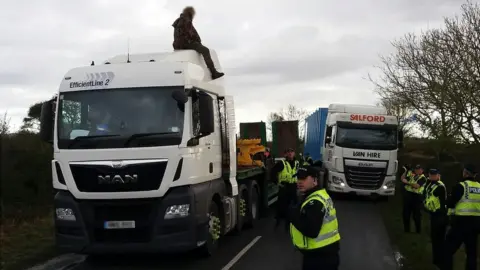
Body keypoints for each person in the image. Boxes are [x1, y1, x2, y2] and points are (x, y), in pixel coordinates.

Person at [289, 166, 340, 270]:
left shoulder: (315, 202)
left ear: (315, 180)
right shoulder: (320, 195)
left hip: (319, 259)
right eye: (298, 178)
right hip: (325, 254)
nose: (299, 182)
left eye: (303, 178)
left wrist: (293, 215)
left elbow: (311, 231)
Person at [443, 164, 480, 270]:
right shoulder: (479, 187)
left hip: (461, 223)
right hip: (476, 224)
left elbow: (450, 203)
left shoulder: (461, 186)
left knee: (448, 250)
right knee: (471, 254)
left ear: (465, 173)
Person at [172, 6, 224, 80]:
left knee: (201, 48)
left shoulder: (178, 20)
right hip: (185, 43)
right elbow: (191, 34)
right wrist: (198, 42)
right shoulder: (186, 20)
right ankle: (214, 72)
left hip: (178, 44)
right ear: (191, 13)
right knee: (205, 50)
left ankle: (214, 72)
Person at [422, 168, 447, 268]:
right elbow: (425, 194)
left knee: (439, 240)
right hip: (433, 215)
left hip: (440, 215)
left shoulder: (439, 186)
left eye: (434, 175)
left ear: (438, 175)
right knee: (435, 239)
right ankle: (436, 260)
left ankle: (440, 261)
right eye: (431, 175)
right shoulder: (429, 184)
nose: (432, 176)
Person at [271, 148, 300, 231]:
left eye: (292, 152)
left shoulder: (297, 163)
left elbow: (300, 173)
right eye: (288, 152)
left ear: (294, 153)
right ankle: (278, 223)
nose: (290, 153)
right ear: (286, 154)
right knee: (281, 205)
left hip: (293, 187)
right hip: (284, 187)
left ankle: (292, 223)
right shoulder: (282, 163)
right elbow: (273, 172)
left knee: (295, 205)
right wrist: (276, 182)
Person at [401, 164, 427, 233]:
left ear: (422, 170)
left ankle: (418, 231)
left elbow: (416, 186)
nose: (417, 171)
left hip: (417, 197)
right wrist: (405, 172)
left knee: (416, 215)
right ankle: (407, 230)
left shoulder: (423, 178)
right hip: (408, 195)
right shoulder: (412, 175)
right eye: (416, 169)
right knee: (406, 214)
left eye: (419, 169)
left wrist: (408, 183)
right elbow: (403, 179)